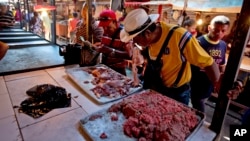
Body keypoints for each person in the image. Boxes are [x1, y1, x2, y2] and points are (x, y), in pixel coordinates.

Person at [120, 8, 220, 105]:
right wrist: (141, 58)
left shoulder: (179, 36)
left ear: (147, 33)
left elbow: (209, 63)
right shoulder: (148, 41)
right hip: (155, 89)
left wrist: (218, 87)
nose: (134, 42)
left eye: (134, 38)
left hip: (177, 94)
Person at [190, 15, 230, 112]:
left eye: (223, 31)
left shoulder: (223, 45)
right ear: (209, 28)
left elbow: (221, 65)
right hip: (196, 85)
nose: (219, 33)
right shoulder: (198, 42)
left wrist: (219, 81)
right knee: (199, 111)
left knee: (199, 106)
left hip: (210, 86)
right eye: (216, 30)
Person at [90, 9, 132, 75]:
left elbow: (130, 55)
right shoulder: (105, 32)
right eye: (103, 27)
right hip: (105, 69)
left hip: (118, 72)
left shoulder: (124, 34)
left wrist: (111, 50)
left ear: (114, 22)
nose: (105, 30)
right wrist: (99, 47)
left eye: (108, 27)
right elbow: (105, 45)